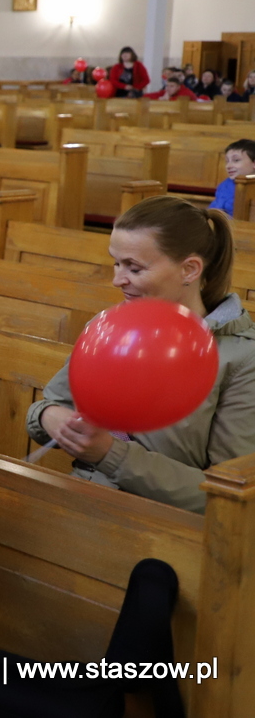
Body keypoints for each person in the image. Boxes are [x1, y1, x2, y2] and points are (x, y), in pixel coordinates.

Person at [28, 196, 255, 513]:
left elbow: (227, 493)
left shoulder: (242, 356)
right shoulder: (108, 324)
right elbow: (51, 404)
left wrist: (109, 454)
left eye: (134, 268)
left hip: (161, 523)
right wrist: (47, 417)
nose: (117, 280)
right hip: (82, 496)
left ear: (189, 269)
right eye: (116, 263)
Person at [210, 140, 255, 216]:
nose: (228, 166)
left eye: (236, 160)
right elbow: (214, 209)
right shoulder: (224, 185)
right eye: (227, 161)